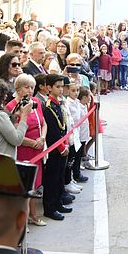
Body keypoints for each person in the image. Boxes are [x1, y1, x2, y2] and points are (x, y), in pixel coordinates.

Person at [5, 74, 47, 226]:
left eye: (32, 87)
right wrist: (31, 143)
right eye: (26, 87)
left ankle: (33, 215)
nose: (30, 91)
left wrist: (42, 138)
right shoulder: (10, 107)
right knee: (23, 186)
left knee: (34, 185)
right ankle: (21, 219)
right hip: (23, 149)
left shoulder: (35, 102)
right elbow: (14, 133)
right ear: (17, 89)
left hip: (38, 148)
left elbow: (43, 123)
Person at [42, 74, 73, 220]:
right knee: (52, 179)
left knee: (60, 176)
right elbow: (53, 132)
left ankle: (59, 202)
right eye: (57, 87)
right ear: (49, 88)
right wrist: (61, 148)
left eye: (62, 87)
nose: (61, 90)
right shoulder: (48, 107)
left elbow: (64, 127)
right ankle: (50, 207)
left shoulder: (58, 103)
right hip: (54, 149)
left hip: (62, 146)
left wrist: (66, 144)